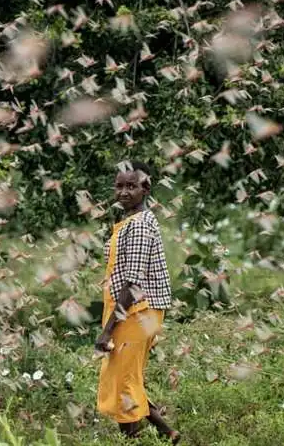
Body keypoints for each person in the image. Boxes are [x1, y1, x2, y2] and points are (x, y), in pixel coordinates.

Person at [95, 160, 180, 443]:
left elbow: (133, 283)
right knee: (126, 375)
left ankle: (132, 441)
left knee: (123, 383)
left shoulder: (141, 226)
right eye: (119, 186)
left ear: (146, 188)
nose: (123, 192)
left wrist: (107, 331)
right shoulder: (129, 222)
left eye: (131, 186)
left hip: (138, 310)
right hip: (132, 310)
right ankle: (168, 433)